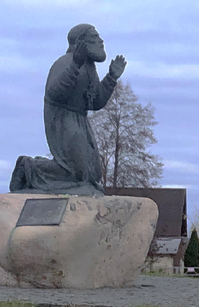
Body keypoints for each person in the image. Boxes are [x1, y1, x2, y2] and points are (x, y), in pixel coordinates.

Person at [9, 24, 126, 196]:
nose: (101, 41)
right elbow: (55, 93)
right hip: (62, 118)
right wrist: (74, 66)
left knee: (92, 174)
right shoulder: (64, 62)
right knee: (76, 172)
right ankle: (29, 167)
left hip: (81, 120)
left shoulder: (90, 68)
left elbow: (95, 102)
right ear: (81, 43)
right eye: (94, 37)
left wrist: (111, 78)